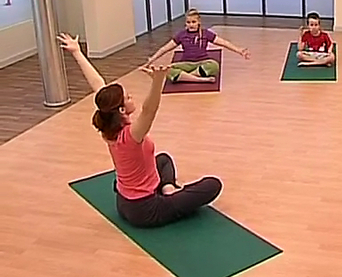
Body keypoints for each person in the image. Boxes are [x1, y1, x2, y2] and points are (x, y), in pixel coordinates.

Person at [57, 32, 223, 228]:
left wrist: (77, 52)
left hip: (124, 202)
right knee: (212, 185)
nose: (131, 97)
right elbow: (149, 110)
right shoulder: (130, 135)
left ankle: (168, 188)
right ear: (121, 110)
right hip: (146, 209)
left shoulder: (108, 126)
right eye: (128, 98)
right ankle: (169, 195)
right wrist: (158, 82)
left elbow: (98, 84)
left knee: (163, 159)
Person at [145, 8, 250, 83]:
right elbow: (165, 49)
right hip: (186, 63)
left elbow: (224, 43)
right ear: (185, 23)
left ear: (198, 22)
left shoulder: (205, 33)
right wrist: (151, 60)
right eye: (188, 22)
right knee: (167, 69)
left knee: (214, 66)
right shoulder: (181, 35)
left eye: (193, 22)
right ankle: (200, 79)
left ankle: (186, 77)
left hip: (202, 62)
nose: (191, 25)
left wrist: (239, 50)